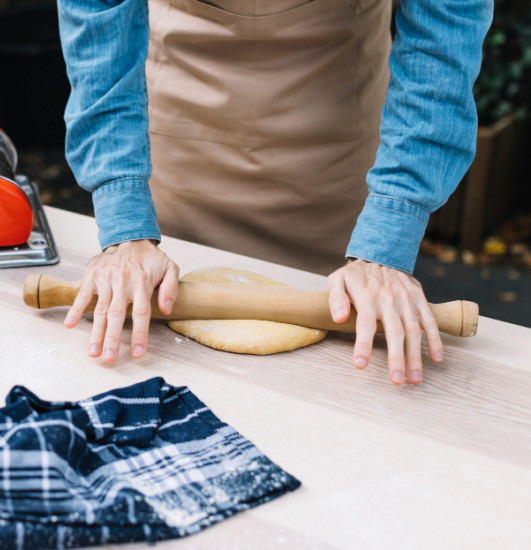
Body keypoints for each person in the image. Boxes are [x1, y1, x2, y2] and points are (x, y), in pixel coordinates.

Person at [55, 0, 493, 385]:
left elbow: (442, 42)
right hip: (181, 146)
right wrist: (124, 217)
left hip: (337, 162)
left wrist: (389, 234)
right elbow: (97, 29)